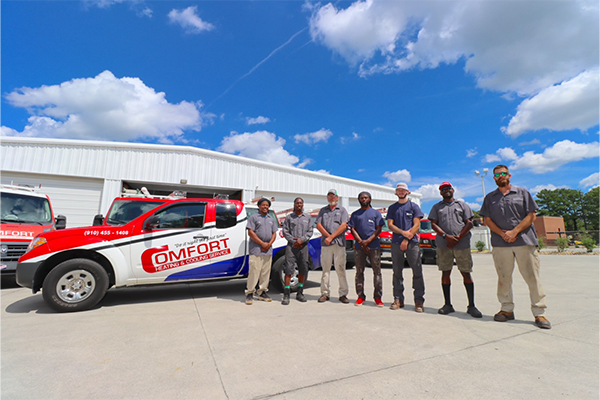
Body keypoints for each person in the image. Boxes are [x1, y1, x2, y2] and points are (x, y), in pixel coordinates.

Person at [479, 165, 551, 329]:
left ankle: (539, 313)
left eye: (503, 173)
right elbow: (487, 220)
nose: (500, 176)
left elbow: (531, 215)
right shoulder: (490, 198)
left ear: (509, 176)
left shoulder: (522, 193)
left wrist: (514, 232)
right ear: (494, 178)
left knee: (532, 278)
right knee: (503, 278)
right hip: (500, 243)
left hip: (524, 241)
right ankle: (506, 310)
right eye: (497, 174)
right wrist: (503, 234)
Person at [429, 182, 482, 318]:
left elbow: (469, 222)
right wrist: (446, 236)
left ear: (453, 190)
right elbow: (433, 224)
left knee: (466, 273)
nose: (446, 191)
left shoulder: (462, 205)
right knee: (445, 273)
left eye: (448, 189)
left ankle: (471, 306)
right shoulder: (436, 207)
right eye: (443, 189)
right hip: (444, 245)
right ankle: (447, 305)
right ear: (440, 193)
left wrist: (458, 237)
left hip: (462, 244)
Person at [387, 183, 425, 312]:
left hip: (412, 243)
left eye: (403, 190)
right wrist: (403, 233)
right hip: (396, 243)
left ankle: (419, 301)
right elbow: (390, 225)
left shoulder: (414, 207)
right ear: (396, 192)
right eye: (399, 190)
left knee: (417, 271)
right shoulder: (392, 208)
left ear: (407, 192)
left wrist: (406, 238)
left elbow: (416, 224)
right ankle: (398, 299)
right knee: (397, 272)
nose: (401, 192)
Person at [348, 191, 385, 307]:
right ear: (359, 200)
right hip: (359, 248)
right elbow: (352, 229)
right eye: (362, 198)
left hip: (374, 247)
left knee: (377, 272)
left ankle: (378, 297)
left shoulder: (376, 213)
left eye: (366, 197)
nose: (364, 199)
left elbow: (378, 229)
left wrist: (368, 241)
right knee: (359, 272)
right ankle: (360, 296)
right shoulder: (355, 214)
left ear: (370, 199)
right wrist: (361, 242)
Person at [316, 189, 350, 303]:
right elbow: (319, 225)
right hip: (326, 244)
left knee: (340, 269)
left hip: (339, 244)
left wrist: (332, 237)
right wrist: (328, 237)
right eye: (329, 196)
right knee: (325, 269)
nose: (331, 198)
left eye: (333, 196)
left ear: (337, 198)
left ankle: (343, 294)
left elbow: (344, 225)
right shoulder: (323, 210)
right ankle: (324, 293)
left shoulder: (342, 210)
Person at [245, 198, 278, 305]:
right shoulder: (254, 217)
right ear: (259, 206)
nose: (265, 207)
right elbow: (251, 232)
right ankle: (250, 293)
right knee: (254, 272)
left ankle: (262, 292)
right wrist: (262, 243)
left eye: (267, 205)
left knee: (265, 273)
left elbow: (274, 233)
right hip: (256, 249)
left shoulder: (271, 218)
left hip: (268, 250)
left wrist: (269, 244)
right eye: (263, 205)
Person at [281, 197, 313, 305]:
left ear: (303, 204)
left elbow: (310, 231)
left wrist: (301, 240)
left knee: (303, 268)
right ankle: (286, 294)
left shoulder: (307, 217)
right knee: (288, 269)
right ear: (294, 204)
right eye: (297, 203)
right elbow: (285, 230)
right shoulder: (289, 217)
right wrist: (292, 240)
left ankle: (300, 292)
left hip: (303, 246)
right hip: (291, 246)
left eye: (301, 203)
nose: (299, 204)